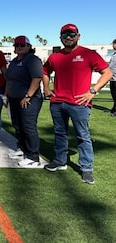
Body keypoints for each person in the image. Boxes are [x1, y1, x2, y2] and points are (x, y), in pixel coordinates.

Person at [43, 23, 112, 184]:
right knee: (60, 134)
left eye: (72, 34)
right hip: (58, 102)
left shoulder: (88, 54)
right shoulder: (55, 57)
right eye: (65, 35)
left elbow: (107, 72)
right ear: (60, 38)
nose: (68, 37)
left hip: (80, 103)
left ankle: (86, 168)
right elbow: (45, 71)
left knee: (82, 136)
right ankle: (60, 161)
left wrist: (93, 91)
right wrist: (46, 88)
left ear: (78, 36)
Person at [4, 36, 43, 167]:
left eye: (22, 45)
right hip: (14, 98)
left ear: (28, 46)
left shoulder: (32, 59)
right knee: (17, 125)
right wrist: (7, 96)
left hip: (29, 99)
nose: (19, 47)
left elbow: (37, 78)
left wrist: (28, 95)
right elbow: (9, 79)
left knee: (28, 126)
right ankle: (22, 149)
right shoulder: (15, 61)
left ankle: (33, 156)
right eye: (16, 45)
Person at [108, 39, 116, 116]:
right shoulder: (114, 54)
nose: (113, 46)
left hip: (115, 78)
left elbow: (111, 66)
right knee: (114, 95)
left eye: (114, 44)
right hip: (112, 78)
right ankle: (113, 109)